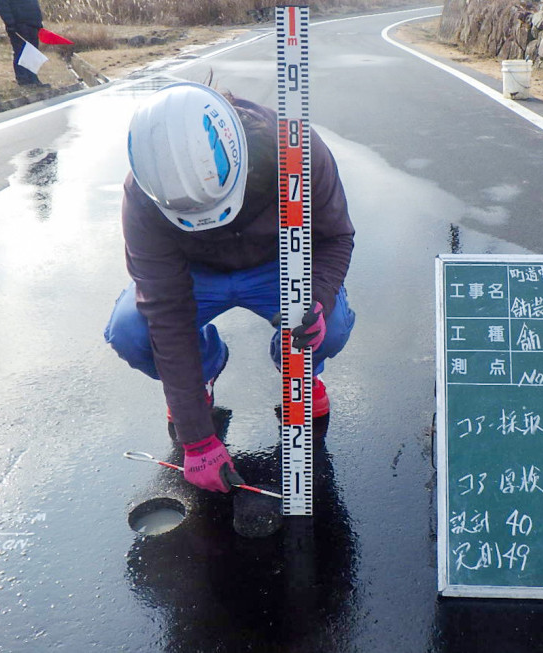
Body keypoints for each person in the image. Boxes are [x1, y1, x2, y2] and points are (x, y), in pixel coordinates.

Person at [104, 83, 355, 494]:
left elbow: (335, 237)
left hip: (278, 265)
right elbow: (165, 310)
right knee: (133, 332)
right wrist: (196, 437)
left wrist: (319, 300)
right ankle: (200, 371)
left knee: (332, 325)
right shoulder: (144, 194)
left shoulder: (295, 151)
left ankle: (299, 369)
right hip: (193, 275)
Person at [0, 0, 45, 86]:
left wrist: (39, 22)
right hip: (18, 25)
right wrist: (10, 23)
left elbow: (34, 4)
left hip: (33, 24)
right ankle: (23, 80)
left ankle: (33, 79)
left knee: (33, 52)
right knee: (21, 52)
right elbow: (2, 4)